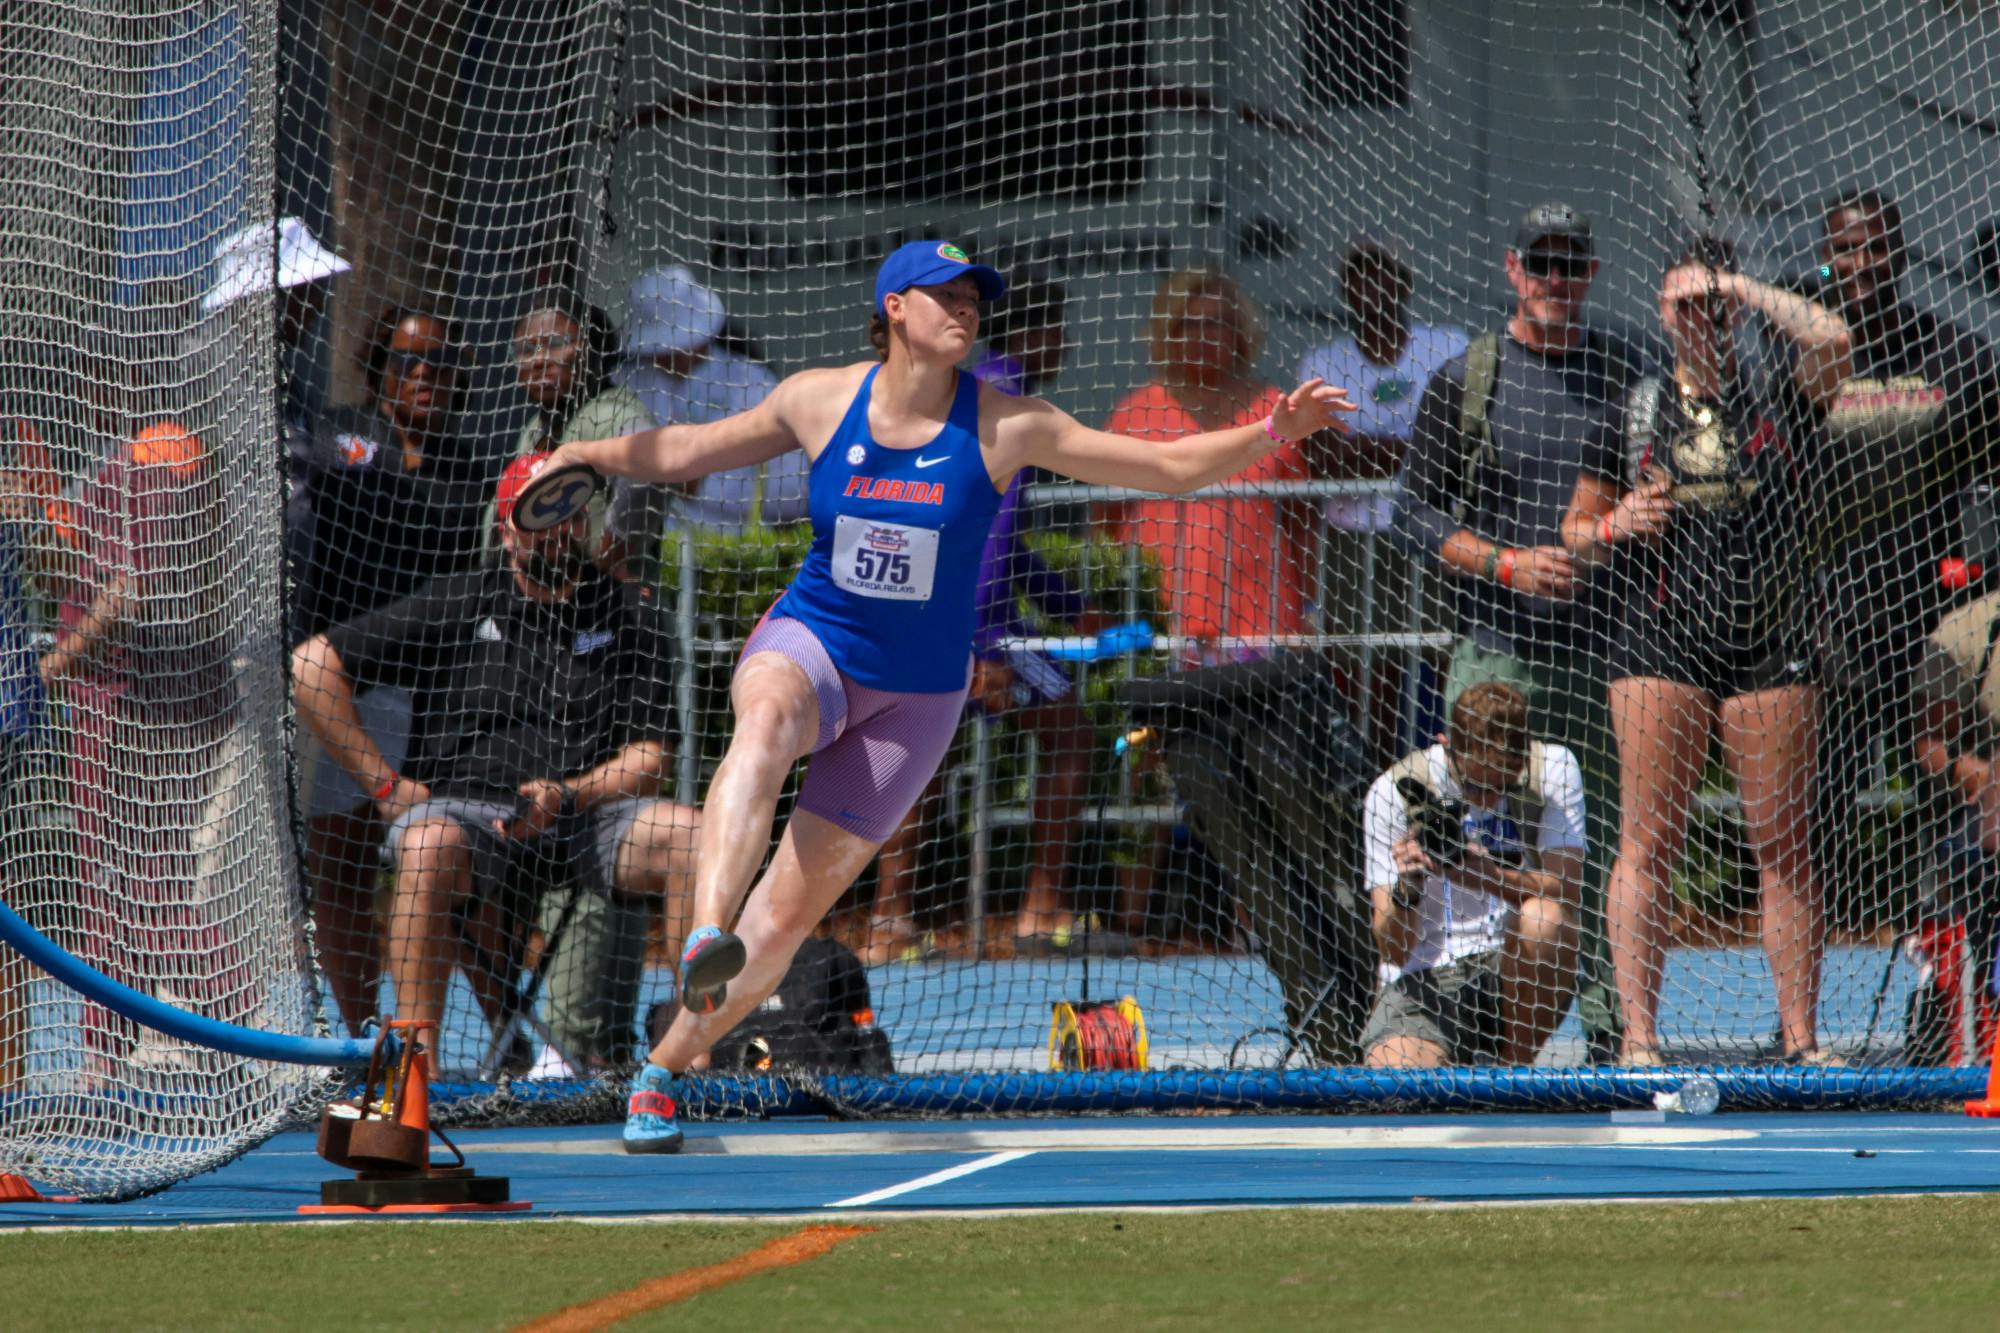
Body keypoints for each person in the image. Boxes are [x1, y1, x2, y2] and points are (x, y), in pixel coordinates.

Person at [546, 238, 1354, 1151]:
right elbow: (685, 447)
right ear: (896, 307)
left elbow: (1163, 468)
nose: (965, 311)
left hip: (918, 695)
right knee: (764, 726)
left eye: (975, 300)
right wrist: (583, 449)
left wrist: (1272, 433)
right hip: (813, 639)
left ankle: (663, 1072)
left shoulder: (1010, 425)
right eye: (945, 297)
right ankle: (701, 934)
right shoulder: (820, 397)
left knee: (783, 919)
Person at [291, 453, 700, 1062]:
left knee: (691, 834)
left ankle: (692, 1057)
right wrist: (383, 787)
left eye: (570, 511)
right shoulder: (462, 599)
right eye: (540, 514)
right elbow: (310, 665)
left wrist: (570, 794)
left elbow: (650, 757)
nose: (559, 527)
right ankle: (412, 1073)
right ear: (506, 532)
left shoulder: (630, 613)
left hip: (579, 815)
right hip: (463, 816)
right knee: (427, 848)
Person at [1560, 252, 1852, 1064]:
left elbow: (1834, 338)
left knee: (1782, 840)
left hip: (1772, 628)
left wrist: (1745, 291)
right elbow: (1575, 533)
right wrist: (1618, 520)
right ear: (1659, 312)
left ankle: (1801, 1038)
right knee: (1648, 837)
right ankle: (1641, 1037)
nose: (1701, 317)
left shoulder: (1783, 393)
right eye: (1684, 304)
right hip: (1662, 633)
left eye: (1711, 304)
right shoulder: (1630, 410)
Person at [1393, 201, 1644, 1064]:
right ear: (1511, 268)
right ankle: (1464, 1027)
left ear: (1592, 275)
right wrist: (1505, 563)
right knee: (1470, 847)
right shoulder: (1468, 377)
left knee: (1608, 853)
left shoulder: (1625, 374)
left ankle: (1618, 1040)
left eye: (1570, 265)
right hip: (1492, 655)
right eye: (1540, 263)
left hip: (1607, 655)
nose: (1555, 282)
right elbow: (1412, 513)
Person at [865, 271, 1108, 960]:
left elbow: (992, 533)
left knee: (921, 758)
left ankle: (889, 924)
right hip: (979, 629)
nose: (1065, 343)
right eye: (1060, 328)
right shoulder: (1007, 404)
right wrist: (987, 652)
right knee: (1071, 733)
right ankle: (1038, 909)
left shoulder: (968, 388)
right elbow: (993, 540)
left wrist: (1067, 603)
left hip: (921, 619)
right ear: (1045, 334)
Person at [295, 307, 499, 1034]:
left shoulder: (476, 470)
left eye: (440, 362)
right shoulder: (340, 434)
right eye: (407, 361)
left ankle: (506, 1034)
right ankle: (356, 1035)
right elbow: (313, 469)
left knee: (465, 873)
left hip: (443, 695)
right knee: (343, 866)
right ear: (381, 370)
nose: (423, 376)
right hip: (352, 691)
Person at [1805, 190, 2000, 935]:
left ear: (1903, 254)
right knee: (1817, 819)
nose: (1862, 264)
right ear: (1827, 257)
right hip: (1832, 629)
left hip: (1934, 630)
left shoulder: (1956, 355)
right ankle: (1806, 1025)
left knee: (1949, 811)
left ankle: (1945, 986)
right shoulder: (1804, 362)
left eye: (1877, 247)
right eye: (1846, 249)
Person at [39, 416, 245, 1078]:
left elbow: (132, 588)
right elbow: (70, 576)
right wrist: (39, 526)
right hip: (120, 699)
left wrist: (52, 667)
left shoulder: (160, 453)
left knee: (147, 880)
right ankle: (118, 1042)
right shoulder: (108, 456)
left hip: (141, 705)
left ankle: (207, 1025)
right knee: (123, 882)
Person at [1359, 682, 1582, 1067]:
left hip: (1513, 967)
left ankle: (1516, 1070)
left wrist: (1478, 873)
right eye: (1477, 786)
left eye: (1503, 786)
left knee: (1546, 918)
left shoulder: (1553, 769)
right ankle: (1443, 1054)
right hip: (1425, 975)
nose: (1489, 800)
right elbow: (1393, 950)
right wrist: (1408, 888)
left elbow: (1566, 890)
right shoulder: (1394, 791)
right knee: (1397, 1079)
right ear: (1449, 746)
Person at [1101, 267, 1313, 653]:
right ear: (1167, 331)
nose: (1201, 335)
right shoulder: (1132, 414)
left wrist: (1310, 606)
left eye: (1216, 323)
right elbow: (1105, 522)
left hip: (1257, 618)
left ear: (1240, 334)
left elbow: (1303, 521)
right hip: (1152, 622)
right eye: (1187, 323)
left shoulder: (1273, 409)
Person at [610, 265, 809, 537]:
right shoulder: (626, 380)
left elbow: (794, 492)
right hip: (641, 545)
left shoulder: (753, 382)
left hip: (729, 555)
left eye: (675, 345)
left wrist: (701, 481)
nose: (663, 356)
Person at [483, 292, 656, 575]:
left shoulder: (606, 412)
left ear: (593, 349)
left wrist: (609, 559)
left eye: (556, 344)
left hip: (606, 606)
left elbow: (647, 469)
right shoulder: (537, 427)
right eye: (526, 349)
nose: (539, 361)